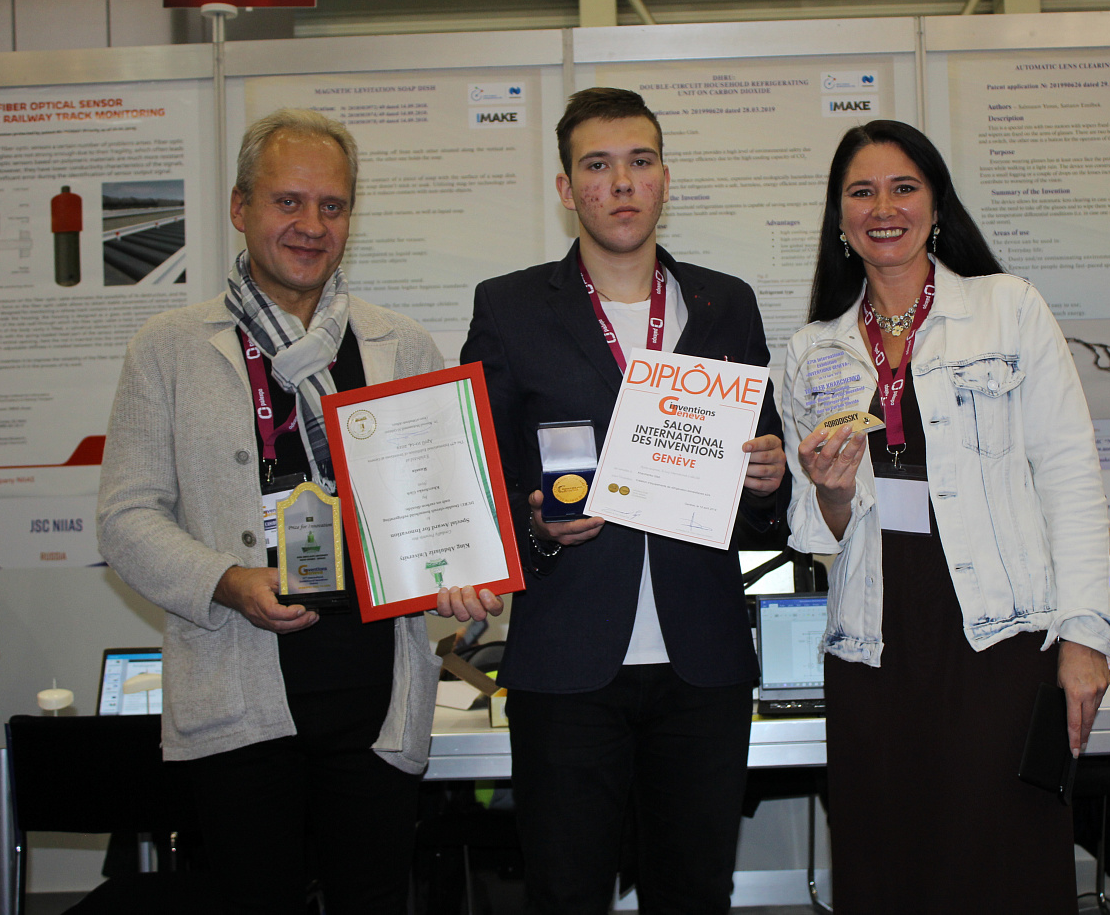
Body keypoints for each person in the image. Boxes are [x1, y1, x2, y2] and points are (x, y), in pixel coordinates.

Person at [97, 108, 488, 915]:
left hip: (375, 692)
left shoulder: (401, 346)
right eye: (288, 201)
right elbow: (126, 518)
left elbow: (440, 507)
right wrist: (226, 579)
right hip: (239, 688)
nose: (311, 225)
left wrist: (458, 569)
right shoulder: (168, 348)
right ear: (240, 207)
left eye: (332, 206)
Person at [781, 120, 1110, 914]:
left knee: (1005, 870)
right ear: (839, 218)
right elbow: (819, 529)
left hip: (999, 645)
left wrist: (1084, 636)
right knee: (888, 872)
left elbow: (1070, 475)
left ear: (937, 205)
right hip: (874, 649)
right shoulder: (810, 351)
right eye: (862, 191)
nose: (884, 208)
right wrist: (832, 490)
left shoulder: (1008, 309)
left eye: (904, 188)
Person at [451, 87, 788, 915]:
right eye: (597, 165)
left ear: (665, 177)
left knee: (695, 893)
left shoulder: (726, 303)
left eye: (640, 161)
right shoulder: (510, 307)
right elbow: (479, 479)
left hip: (701, 661)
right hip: (566, 663)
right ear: (566, 188)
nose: (622, 182)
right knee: (566, 895)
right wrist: (536, 529)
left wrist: (768, 478)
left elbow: (761, 493)